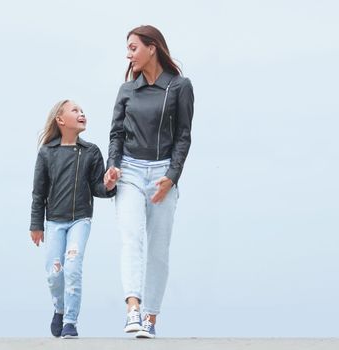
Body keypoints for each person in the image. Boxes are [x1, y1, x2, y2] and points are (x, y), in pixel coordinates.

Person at [104, 25, 194, 338]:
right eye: (128, 49)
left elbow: (184, 136)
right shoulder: (127, 90)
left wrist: (171, 177)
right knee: (131, 240)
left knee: (158, 249)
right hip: (128, 172)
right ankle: (132, 308)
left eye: (133, 47)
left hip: (162, 176)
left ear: (152, 47)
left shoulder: (180, 87)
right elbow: (116, 133)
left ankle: (150, 319)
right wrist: (112, 166)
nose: (128, 54)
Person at [30, 100, 117, 338]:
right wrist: (36, 224)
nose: (82, 113)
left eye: (82, 110)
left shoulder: (91, 152)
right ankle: (59, 309)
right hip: (54, 221)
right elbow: (38, 192)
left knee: (73, 268)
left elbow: (98, 188)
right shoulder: (47, 153)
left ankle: (70, 321)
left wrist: (109, 184)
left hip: (81, 220)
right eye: (75, 110)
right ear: (60, 120)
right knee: (54, 273)